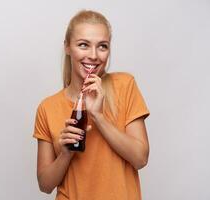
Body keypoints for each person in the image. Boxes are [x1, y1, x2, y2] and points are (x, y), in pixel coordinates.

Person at [33, 10, 150, 200]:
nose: (94, 55)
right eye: (83, 45)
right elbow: (45, 185)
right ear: (67, 47)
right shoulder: (47, 107)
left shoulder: (125, 86)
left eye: (102, 46)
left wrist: (99, 117)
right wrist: (66, 154)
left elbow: (140, 158)